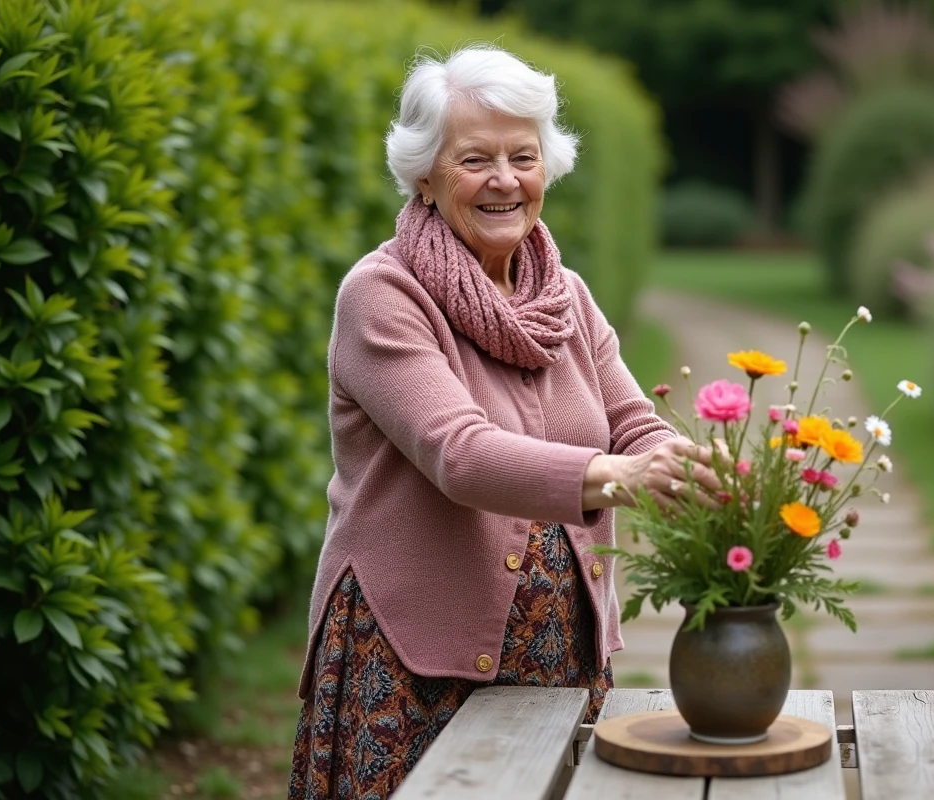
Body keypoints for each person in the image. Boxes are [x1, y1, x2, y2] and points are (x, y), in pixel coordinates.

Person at [287, 45, 721, 798]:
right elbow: (460, 454)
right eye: (474, 159)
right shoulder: (383, 295)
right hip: (412, 658)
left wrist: (685, 466)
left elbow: (632, 423)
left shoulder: (567, 296)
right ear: (425, 173)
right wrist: (618, 476)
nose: (504, 180)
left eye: (523, 156)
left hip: (563, 652)